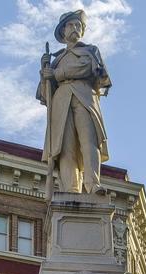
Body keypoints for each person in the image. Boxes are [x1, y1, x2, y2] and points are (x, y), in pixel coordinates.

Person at [36, 9, 112, 195]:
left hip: (85, 96)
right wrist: (44, 72)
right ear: (63, 31)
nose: (75, 27)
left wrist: (57, 74)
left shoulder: (90, 51)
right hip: (62, 100)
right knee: (65, 146)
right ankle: (71, 188)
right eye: (71, 24)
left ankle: (93, 184)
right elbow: (45, 95)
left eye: (79, 25)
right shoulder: (56, 60)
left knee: (88, 141)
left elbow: (86, 68)